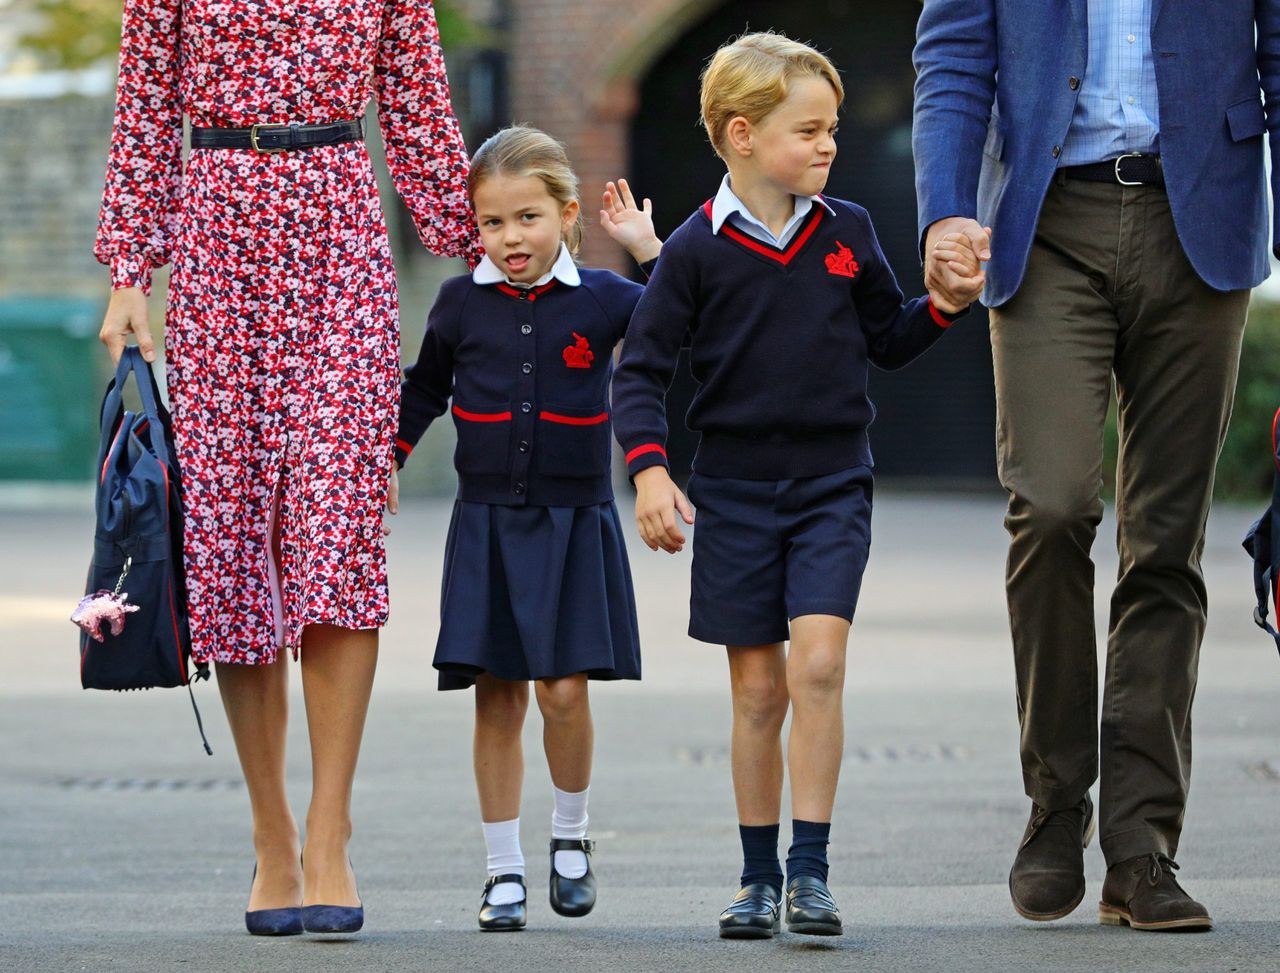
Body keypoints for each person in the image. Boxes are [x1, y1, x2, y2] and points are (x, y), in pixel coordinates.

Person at [94, 0, 479, 936]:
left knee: (336, 528)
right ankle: (271, 832)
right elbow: (146, 104)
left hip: (340, 222)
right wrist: (126, 272)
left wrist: (489, 248)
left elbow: (420, 100)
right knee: (228, 542)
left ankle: (329, 829)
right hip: (217, 230)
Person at [913, 0, 1277, 932]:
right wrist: (945, 211)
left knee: (1164, 544)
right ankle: (1055, 803)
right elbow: (954, 54)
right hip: (1045, 220)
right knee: (1051, 503)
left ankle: (1142, 848)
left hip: (1201, 213)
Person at [611, 32, 982, 940]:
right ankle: (755, 878)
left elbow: (888, 340)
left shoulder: (848, 231)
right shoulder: (693, 250)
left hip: (830, 486)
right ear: (742, 135)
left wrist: (944, 306)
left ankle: (810, 871)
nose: (829, 145)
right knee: (756, 694)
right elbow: (639, 373)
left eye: (833, 129)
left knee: (818, 664)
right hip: (733, 492)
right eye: (809, 130)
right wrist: (650, 472)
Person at [390, 125, 662, 932]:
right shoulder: (458, 302)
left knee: (565, 691)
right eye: (491, 222)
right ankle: (502, 870)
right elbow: (424, 389)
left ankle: (571, 839)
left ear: (568, 213)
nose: (510, 238)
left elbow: (692, 324)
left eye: (528, 218)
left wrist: (651, 253)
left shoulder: (610, 298)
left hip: (576, 521)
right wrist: (383, 464)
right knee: (497, 696)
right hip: (486, 524)